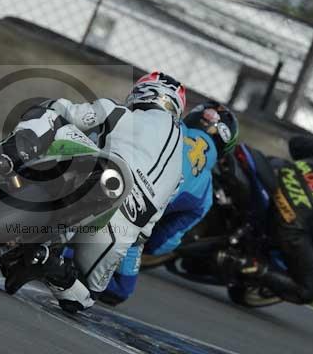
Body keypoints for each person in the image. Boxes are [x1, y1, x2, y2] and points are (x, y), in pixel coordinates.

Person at [0, 71, 187, 313]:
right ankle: (47, 260)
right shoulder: (179, 174)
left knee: (50, 111)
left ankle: (7, 157)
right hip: (121, 227)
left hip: (103, 170)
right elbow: (146, 231)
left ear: (144, 92)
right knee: (85, 296)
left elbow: (66, 112)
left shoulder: (119, 112)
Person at [99, 101, 240, 305]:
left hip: (108, 173)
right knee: (120, 290)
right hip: (133, 214)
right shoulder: (205, 192)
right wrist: (145, 244)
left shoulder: (165, 125)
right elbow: (164, 241)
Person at [216, 134, 313, 304]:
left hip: (274, 177)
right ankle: (250, 265)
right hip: (291, 217)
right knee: (308, 291)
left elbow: (296, 144)